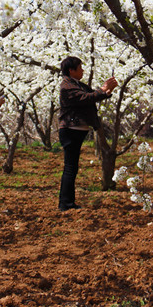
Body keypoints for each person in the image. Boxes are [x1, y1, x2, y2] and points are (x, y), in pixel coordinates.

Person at [57, 56, 118, 211]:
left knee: (72, 167)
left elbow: (92, 95)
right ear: (71, 70)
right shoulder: (67, 86)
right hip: (70, 130)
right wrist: (103, 90)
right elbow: (85, 98)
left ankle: (67, 202)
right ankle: (65, 204)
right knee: (70, 168)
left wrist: (106, 92)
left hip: (76, 130)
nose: (83, 70)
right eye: (80, 67)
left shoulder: (76, 84)